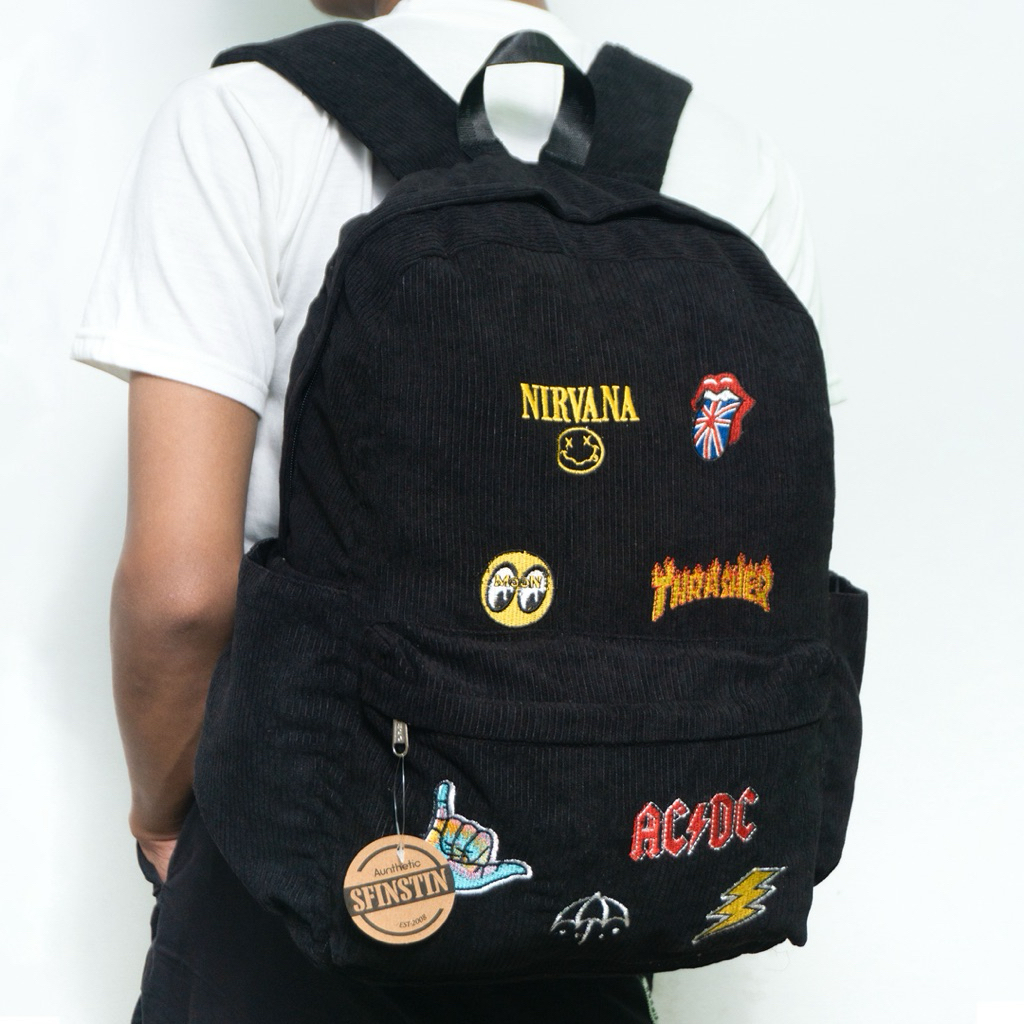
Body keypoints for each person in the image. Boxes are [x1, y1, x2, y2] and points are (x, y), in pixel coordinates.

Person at [75, 0, 832, 1019]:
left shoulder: (248, 120)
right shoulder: (731, 161)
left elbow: (180, 594)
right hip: (606, 902)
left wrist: (164, 822)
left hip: (297, 888)